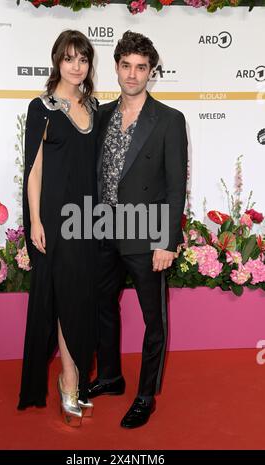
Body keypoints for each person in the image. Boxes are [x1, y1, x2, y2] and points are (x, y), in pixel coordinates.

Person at [88, 31, 188, 428]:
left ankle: (146, 394)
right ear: (115, 68)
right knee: (103, 308)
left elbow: (175, 185)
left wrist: (167, 241)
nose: (132, 74)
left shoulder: (169, 120)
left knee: (153, 319)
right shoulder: (99, 115)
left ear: (151, 72)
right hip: (101, 230)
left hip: (147, 236)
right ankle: (111, 376)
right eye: (126, 66)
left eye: (141, 67)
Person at [18, 30, 98, 427]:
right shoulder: (42, 107)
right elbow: (34, 168)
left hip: (89, 220)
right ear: (57, 61)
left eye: (82, 59)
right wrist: (35, 219)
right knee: (65, 297)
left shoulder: (95, 107)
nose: (76, 66)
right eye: (69, 59)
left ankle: (78, 375)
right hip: (56, 218)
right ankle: (70, 379)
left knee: (83, 299)